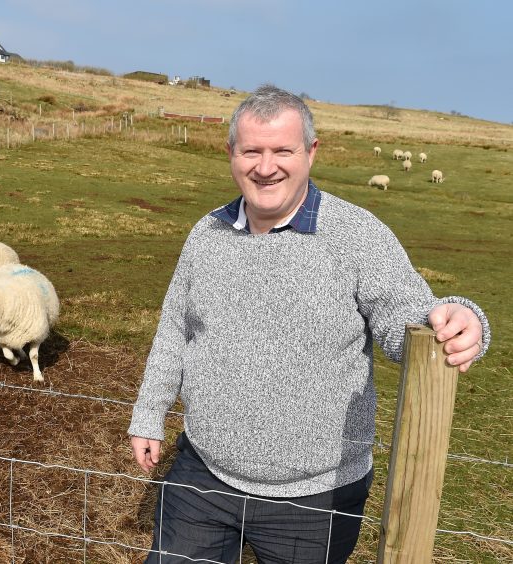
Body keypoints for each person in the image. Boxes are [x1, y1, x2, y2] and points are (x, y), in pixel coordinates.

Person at [127, 85, 490, 564]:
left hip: (315, 499)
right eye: (251, 150)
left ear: (311, 153)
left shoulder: (357, 235)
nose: (265, 166)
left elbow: (408, 317)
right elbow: (176, 329)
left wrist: (459, 317)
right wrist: (149, 413)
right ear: (231, 153)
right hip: (203, 476)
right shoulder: (206, 233)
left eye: (283, 150)